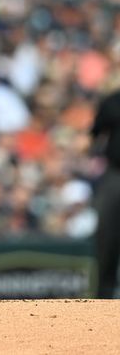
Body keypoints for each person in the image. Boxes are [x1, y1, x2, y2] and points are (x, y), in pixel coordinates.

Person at [91, 87, 120, 298]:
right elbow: (95, 134)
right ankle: (103, 298)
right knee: (107, 237)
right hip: (116, 173)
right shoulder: (113, 101)